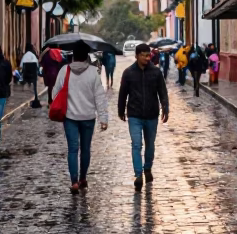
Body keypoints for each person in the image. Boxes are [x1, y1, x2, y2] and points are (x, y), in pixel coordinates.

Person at [52, 39, 108, 193]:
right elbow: (100, 97)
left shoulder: (64, 70)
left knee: (72, 149)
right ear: (86, 56)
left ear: (73, 55)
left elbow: (55, 93)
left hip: (70, 117)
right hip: (88, 117)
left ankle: (74, 181)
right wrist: (103, 118)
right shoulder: (93, 72)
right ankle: (83, 178)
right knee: (85, 149)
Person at [118, 42, 169, 192]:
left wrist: (165, 108)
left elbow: (163, 92)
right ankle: (138, 175)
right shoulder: (128, 73)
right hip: (134, 114)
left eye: (149, 55)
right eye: (144, 55)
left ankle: (147, 168)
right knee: (136, 144)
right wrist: (121, 110)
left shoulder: (156, 72)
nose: (147, 58)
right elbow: (123, 93)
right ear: (137, 56)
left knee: (150, 144)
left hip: (152, 114)